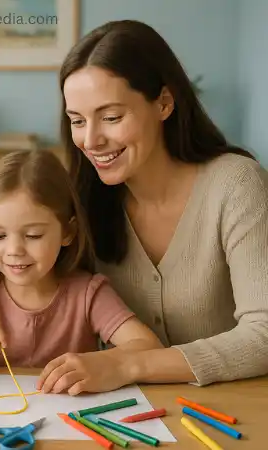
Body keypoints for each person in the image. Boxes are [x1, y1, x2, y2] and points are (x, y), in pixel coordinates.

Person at [39, 19, 268, 393]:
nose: (91, 140)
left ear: (163, 102)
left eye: (111, 117)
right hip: (124, 420)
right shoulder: (82, 201)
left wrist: (130, 362)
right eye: (77, 121)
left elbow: (264, 335)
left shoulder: (237, 185)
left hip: (234, 416)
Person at [0, 150, 163, 395]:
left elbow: (149, 347)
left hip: (70, 420)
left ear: (67, 232)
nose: (14, 250)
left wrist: (107, 362)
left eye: (33, 235)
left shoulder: (88, 293)